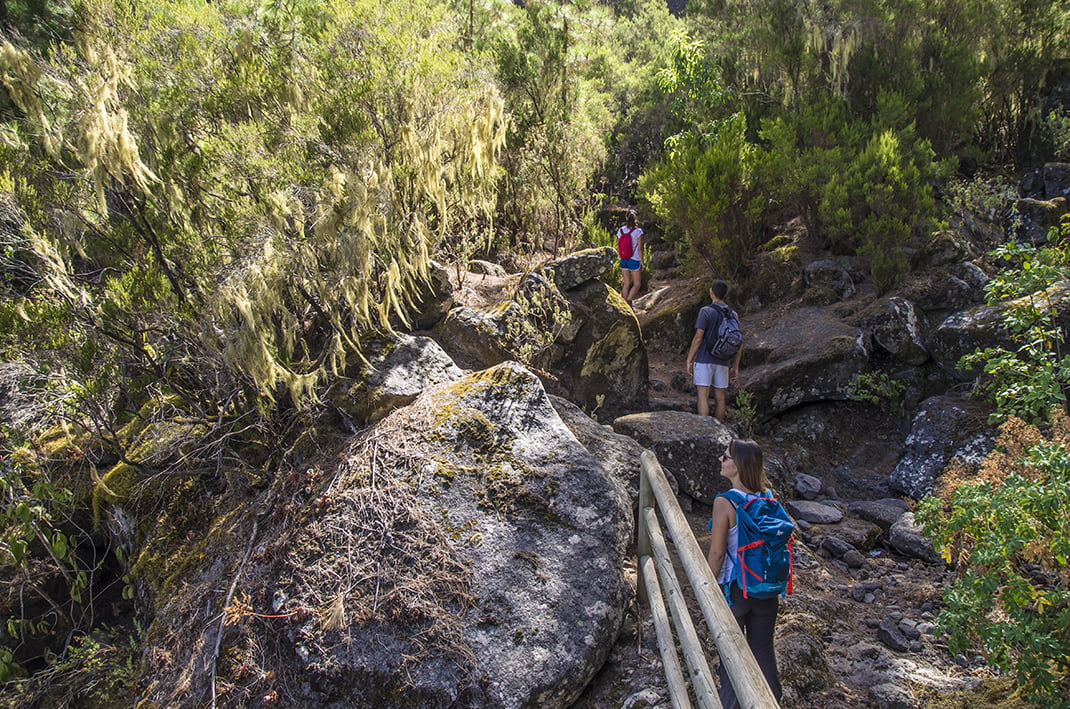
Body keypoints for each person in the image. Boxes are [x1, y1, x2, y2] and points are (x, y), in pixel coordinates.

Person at [706, 438, 783, 708]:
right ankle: (771, 702)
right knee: (763, 651)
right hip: (766, 588)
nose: (721, 460)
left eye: (725, 457)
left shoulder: (725, 502)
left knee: (731, 658)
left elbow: (717, 553)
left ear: (737, 466)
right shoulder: (768, 497)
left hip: (737, 589)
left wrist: (706, 586)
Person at [685, 280, 742, 421]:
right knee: (721, 398)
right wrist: (735, 366)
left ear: (711, 292)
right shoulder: (733, 314)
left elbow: (698, 338)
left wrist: (689, 359)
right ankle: (719, 431)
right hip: (723, 360)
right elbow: (739, 341)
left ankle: (705, 432)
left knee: (702, 396)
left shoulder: (706, 311)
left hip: (704, 359)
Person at [616, 210, 643, 303]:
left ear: (626, 218)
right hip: (634, 260)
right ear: (635, 219)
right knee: (637, 284)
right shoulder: (638, 231)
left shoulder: (620, 230)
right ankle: (628, 301)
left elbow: (618, 246)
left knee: (626, 283)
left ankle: (623, 306)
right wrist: (642, 262)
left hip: (623, 259)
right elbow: (640, 248)